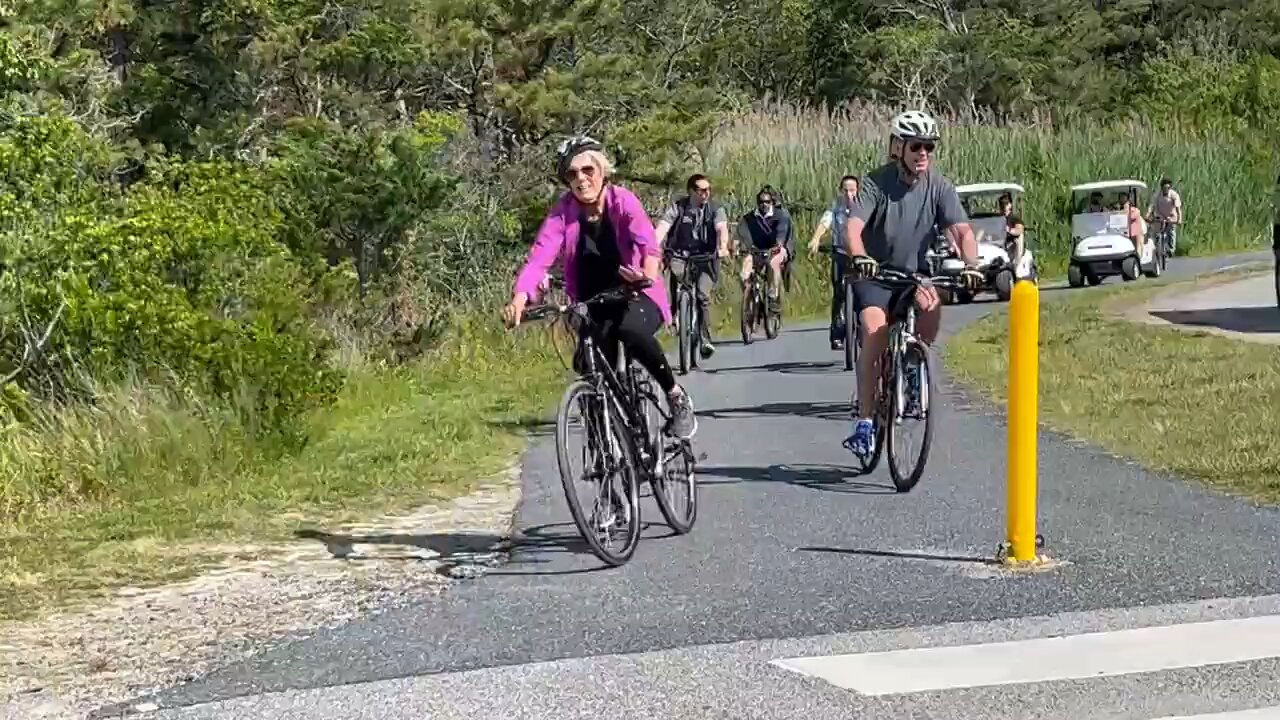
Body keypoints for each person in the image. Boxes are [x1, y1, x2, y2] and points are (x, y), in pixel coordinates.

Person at [501, 136, 698, 440]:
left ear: (602, 171)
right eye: (572, 174)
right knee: (590, 366)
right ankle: (612, 449)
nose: (581, 179)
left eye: (588, 170)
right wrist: (519, 297)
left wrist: (645, 274)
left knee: (630, 331)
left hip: (636, 293)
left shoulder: (623, 201)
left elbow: (648, 246)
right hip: (592, 301)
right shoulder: (562, 213)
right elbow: (539, 259)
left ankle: (675, 396)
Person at [842, 110, 983, 457]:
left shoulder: (940, 186)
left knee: (932, 305)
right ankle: (864, 421)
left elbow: (962, 230)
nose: (924, 154)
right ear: (898, 148)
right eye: (917, 146)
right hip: (876, 274)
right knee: (874, 331)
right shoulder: (876, 182)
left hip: (913, 275)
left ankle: (912, 362)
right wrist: (860, 256)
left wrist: (971, 264)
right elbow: (853, 229)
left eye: (930, 147)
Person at [654, 173, 730, 358]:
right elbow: (663, 227)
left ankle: (705, 339)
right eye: (702, 190)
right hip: (680, 254)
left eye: (708, 190)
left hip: (706, 257)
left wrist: (722, 247)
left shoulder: (715, 209)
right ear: (691, 191)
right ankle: (675, 314)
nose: (706, 194)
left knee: (703, 297)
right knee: (675, 273)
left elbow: (722, 229)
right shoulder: (679, 207)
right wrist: (652, 247)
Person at [808, 175, 860, 350]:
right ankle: (837, 335)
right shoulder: (836, 206)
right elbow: (825, 222)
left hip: (860, 254)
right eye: (845, 190)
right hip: (840, 252)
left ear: (857, 190)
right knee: (839, 294)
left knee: (864, 293)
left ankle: (862, 330)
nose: (848, 194)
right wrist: (816, 239)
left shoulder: (864, 207)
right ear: (840, 191)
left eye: (852, 190)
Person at [737, 186, 792, 300]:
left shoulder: (781, 216)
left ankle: (773, 295)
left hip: (776, 249)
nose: (764, 204)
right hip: (756, 250)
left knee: (773, 263)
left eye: (767, 202)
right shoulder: (749, 218)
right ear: (758, 203)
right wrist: (738, 246)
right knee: (744, 273)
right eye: (761, 202)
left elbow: (782, 232)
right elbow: (741, 234)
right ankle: (749, 299)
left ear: (772, 202)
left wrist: (778, 245)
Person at [1146, 177, 1183, 255]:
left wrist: (1179, 219)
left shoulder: (1174, 195)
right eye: (1164, 188)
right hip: (1160, 216)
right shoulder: (1157, 195)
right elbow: (1151, 206)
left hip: (1171, 216)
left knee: (1171, 232)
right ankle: (1157, 248)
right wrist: (1147, 215)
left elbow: (1178, 208)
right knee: (1157, 233)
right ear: (1161, 187)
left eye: (1168, 188)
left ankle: (1171, 250)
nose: (1166, 190)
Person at [998, 192, 1026, 270]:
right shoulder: (997, 219)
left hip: (1011, 243)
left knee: (1019, 237)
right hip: (1000, 243)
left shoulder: (1014, 218)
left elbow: (1019, 230)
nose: (1004, 207)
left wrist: (1009, 230)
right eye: (1002, 205)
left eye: (1006, 204)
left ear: (1010, 205)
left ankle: (1017, 264)